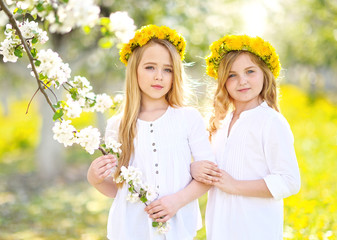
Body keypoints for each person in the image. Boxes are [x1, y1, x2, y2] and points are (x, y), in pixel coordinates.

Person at [87, 25, 214, 240]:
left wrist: (176, 202)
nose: (159, 76)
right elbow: (119, 190)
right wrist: (95, 179)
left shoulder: (188, 118)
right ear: (134, 70)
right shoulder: (118, 125)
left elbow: (208, 176)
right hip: (131, 230)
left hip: (176, 228)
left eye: (167, 69)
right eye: (150, 67)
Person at [191, 35, 301, 240]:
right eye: (232, 75)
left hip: (255, 228)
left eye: (250, 71)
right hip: (221, 228)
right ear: (223, 80)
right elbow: (211, 169)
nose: (242, 81)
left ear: (265, 74)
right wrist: (195, 168)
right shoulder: (221, 123)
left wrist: (236, 186)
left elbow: (289, 180)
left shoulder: (271, 122)